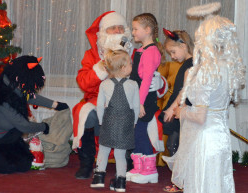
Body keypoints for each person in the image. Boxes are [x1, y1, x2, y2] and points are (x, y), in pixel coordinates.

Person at [72, 11, 167, 180]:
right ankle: (86, 164)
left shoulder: (136, 52)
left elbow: (148, 75)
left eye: (120, 27)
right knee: (84, 114)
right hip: (99, 101)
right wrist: (103, 67)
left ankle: (134, 161)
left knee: (133, 115)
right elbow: (83, 83)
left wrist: (161, 84)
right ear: (102, 33)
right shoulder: (92, 55)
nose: (117, 31)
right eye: (112, 28)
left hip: (129, 101)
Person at [163, 2, 245, 193]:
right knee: (217, 180)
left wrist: (181, 111)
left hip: (204, 139)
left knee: (202, 181)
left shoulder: (204, 73)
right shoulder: (228, 68)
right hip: (221, 137)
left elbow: (200, 116)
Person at [0, 55, 69, 174]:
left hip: (4, 138)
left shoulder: (12, 85)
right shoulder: (2, 97)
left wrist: (55, 104)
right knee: (7, 167)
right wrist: (44, 127)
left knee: (24, 164)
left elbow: (29, 96)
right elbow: (24, 126)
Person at [90, 49, 140, 192]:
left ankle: (98, 178)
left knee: (104, 150)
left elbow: (100, 106)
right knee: (120, 154)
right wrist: (134, 122)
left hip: (109, 121)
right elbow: (136, 107)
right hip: (126, 123)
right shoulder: (133, 85)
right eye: (130, 63)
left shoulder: (104, 84)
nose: (132, 65)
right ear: (124, 68)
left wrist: (101, 121)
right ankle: (120, 182)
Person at [126, 13, 165, 184]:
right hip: (137, 98)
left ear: (147, 30)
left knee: (140, 132)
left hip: (144, 100)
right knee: (135, 133)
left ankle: (150, 170)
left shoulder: (151, 51)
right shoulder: (140, 50)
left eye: (135, 29)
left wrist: (139, 103)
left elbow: (147, 79)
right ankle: (140, 167)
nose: (133, 32)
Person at [160, 29, 194, 192]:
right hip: (180, 110)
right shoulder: (187, 64)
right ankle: (180, 181)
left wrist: (173, 108)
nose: (172, 57)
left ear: (184, 45)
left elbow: (184, 91)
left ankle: (182, 182)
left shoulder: (192, 64)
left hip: (186, 112)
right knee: (175, 144)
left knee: (178, 146)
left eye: (173, 52)